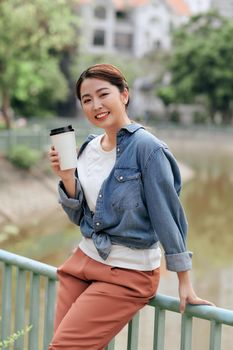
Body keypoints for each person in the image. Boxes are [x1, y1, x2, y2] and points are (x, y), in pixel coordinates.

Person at [48, 63, 213, 350]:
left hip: (127, 273)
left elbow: (168, 217)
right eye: (87, 100)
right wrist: (66, 178)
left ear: (124, 94)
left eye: (103, 94)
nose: (96, 105)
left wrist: (184, 282)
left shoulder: (148, 149)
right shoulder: (89, 147)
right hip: (82, 262)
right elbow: (80, 217)